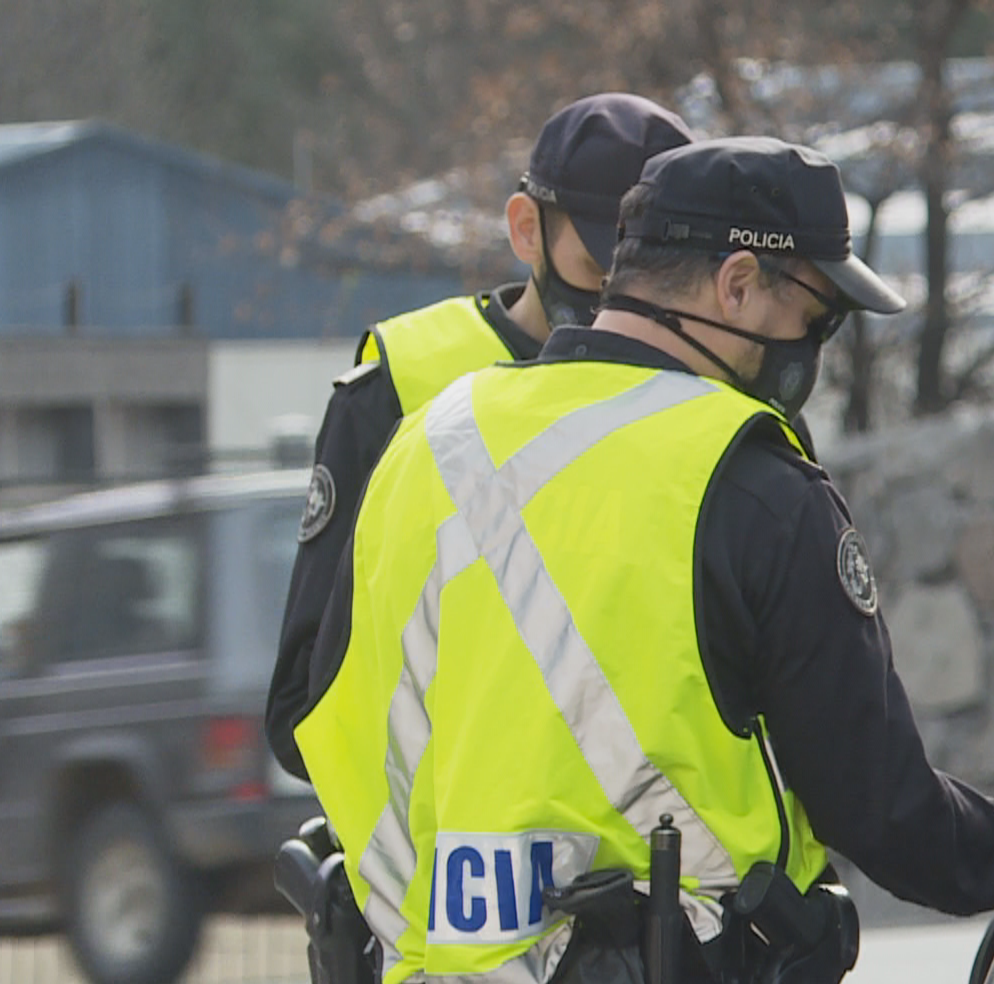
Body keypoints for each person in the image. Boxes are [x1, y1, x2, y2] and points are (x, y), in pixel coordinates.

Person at [295, 136, 994, 984]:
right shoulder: (749, 480)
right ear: (736, 284)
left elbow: (328, 725)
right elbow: (882, 808)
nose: (810, 352)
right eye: (811, 316)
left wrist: (439, 923)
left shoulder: (425, 446)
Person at [265, 93, 693, 778]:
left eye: (655, 280)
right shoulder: (405, 382)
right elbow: (305, 711)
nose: (622, 304)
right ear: (527, 229)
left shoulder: (710, 398)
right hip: (461, 862)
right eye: (602, 270)